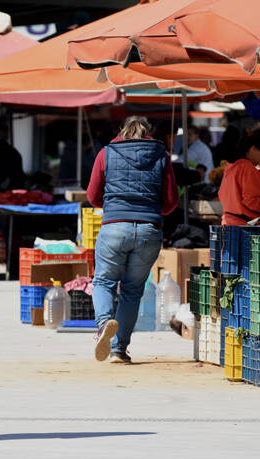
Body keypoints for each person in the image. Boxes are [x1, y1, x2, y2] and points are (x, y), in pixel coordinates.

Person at [86, 116, 179, 364]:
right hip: (149, 230)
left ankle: (105, 323)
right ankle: (119, 349)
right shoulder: (161, 154)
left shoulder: (106, 153)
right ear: (148, 133)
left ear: (122, 130)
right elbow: (170, 202)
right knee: (132, 290)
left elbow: (92, 195)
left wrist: (111, 205)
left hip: (114, 227)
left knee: (104, 281)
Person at [218, 129, 260, 226]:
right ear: (253, 148)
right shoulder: (247, 167)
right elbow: (252, 202)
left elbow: (221, 194)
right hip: (245, 227)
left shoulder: (230, 166)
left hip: (228, 224)